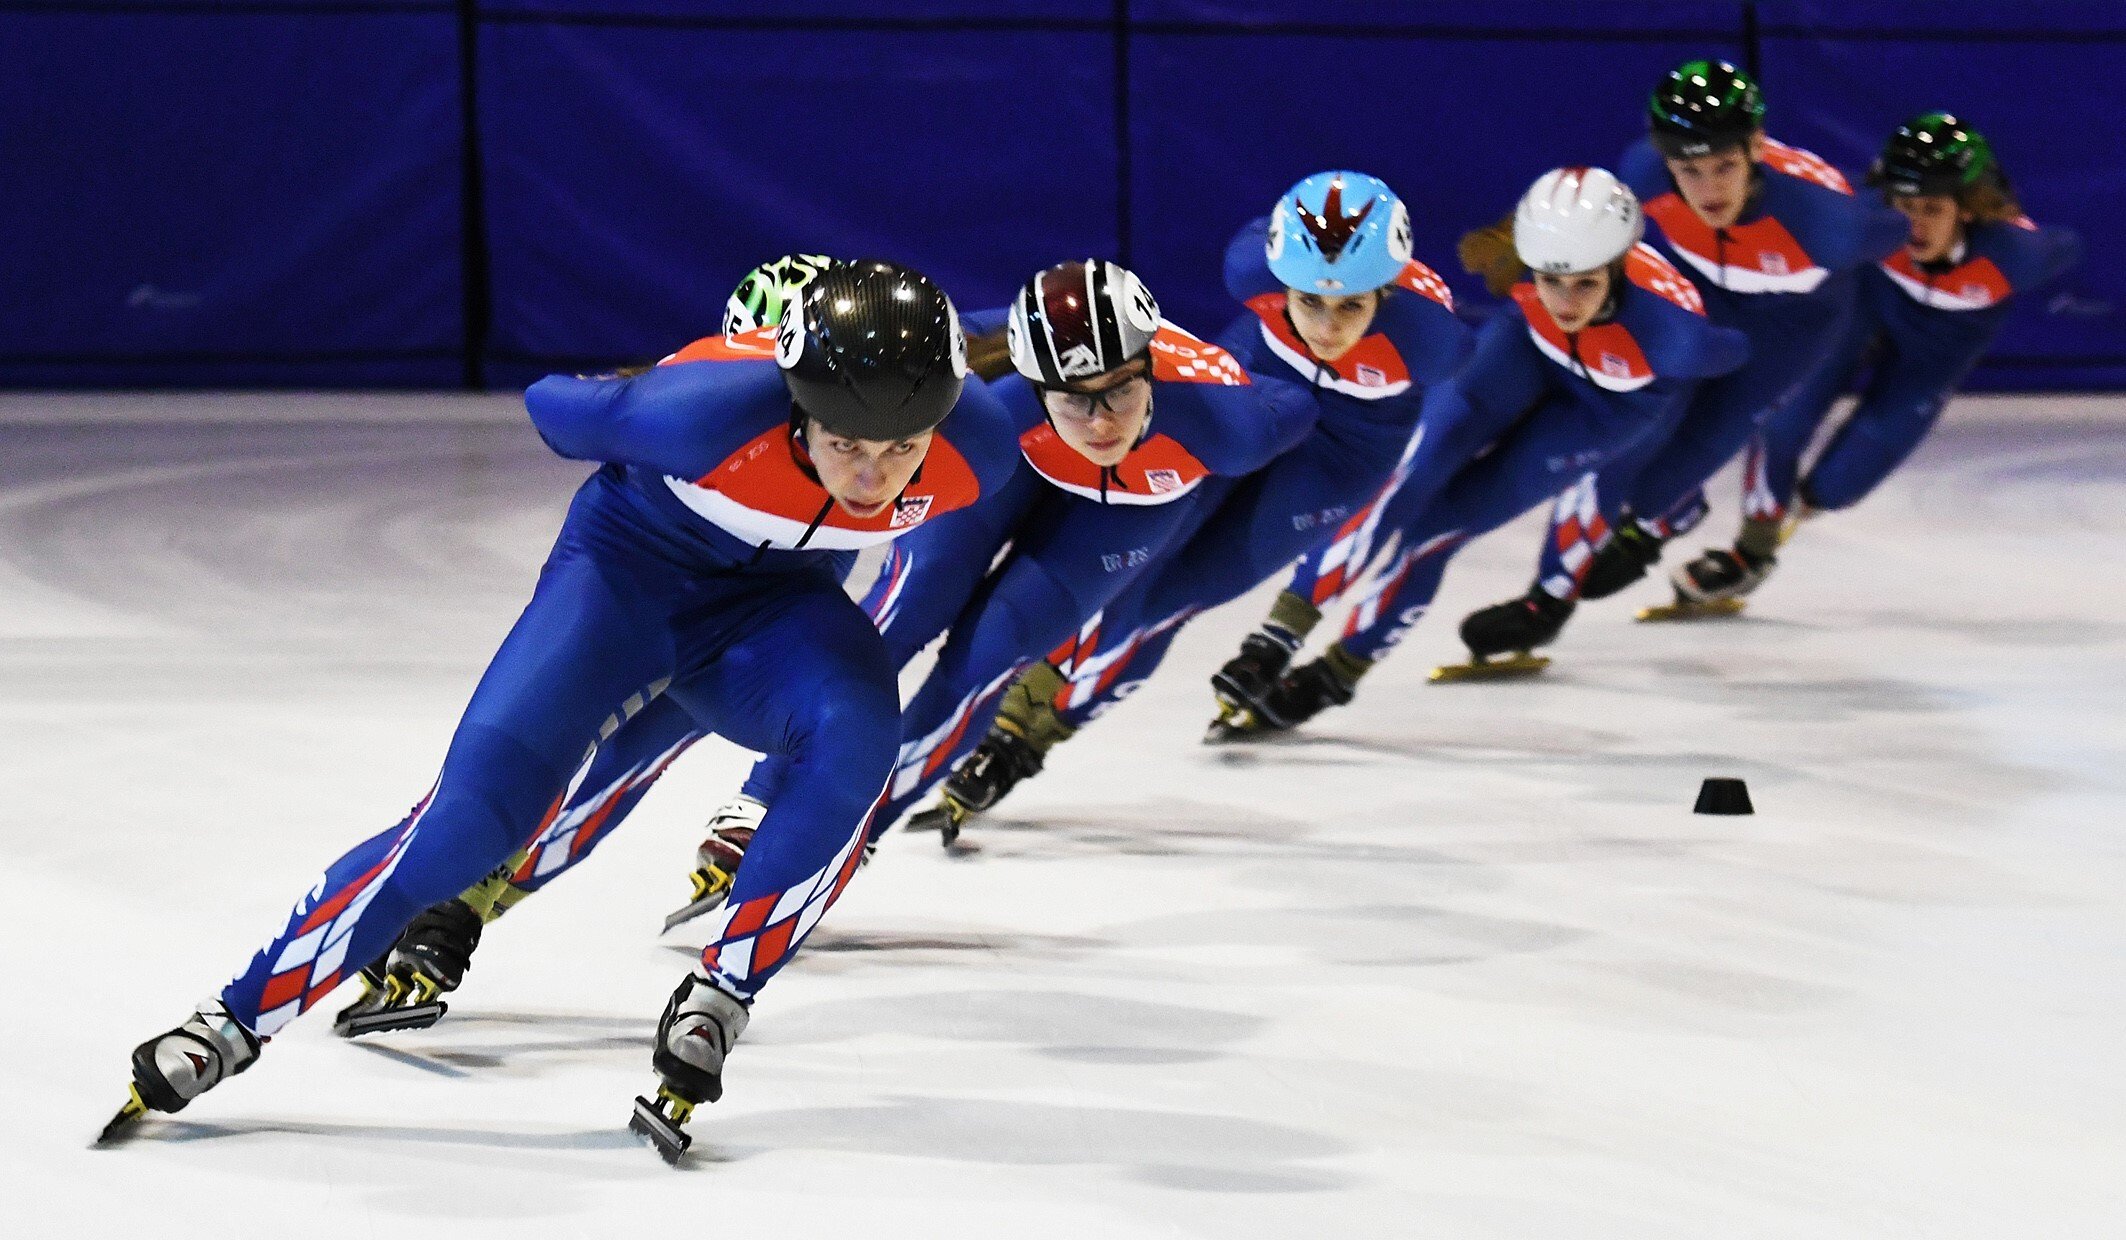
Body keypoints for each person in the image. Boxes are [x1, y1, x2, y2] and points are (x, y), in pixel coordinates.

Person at [104, 261, 1021, 1165]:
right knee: (468, 826)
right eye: (846, 445)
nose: (872, 475)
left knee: (860, 739)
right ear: (794, 404)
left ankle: (723, 993)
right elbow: (550, 403)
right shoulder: (694, 415)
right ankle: (234, 1017)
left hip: (775, 614)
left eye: (900, 450)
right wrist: (631, 387)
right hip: (627, 586)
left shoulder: (973, 443)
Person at [345, 259, 1321, 978]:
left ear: (1155, 374)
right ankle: (487, 891)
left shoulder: (1225, 423)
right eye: (1071, 396)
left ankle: (841, 832)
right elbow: (931, 335)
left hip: (1131, 510)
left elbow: (1302, 402)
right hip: (1001, 473)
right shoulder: (993, 399)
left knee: (977, 663)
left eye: (1119, 396)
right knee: (884, 622)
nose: (1097, 421)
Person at [916, 171, 1472, 830]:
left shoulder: (1436, 337)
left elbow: (1389, 497)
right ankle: (1017, 708)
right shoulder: (1249, 266)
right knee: (1129, 569)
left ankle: (1023, 743)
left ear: (1385, 290)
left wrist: (1291, 622)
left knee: (1169, 601)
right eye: (1309, 302)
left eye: (1351, 306)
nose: (1326, 326)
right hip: (1248, 399)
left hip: (1344, 451)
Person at [1208, 167, 1748, 734]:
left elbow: (1730, 392)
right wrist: (1278, 636)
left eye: (1585, 284)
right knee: (1408, 476)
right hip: (1523, 352)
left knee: (1435, 533)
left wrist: (1663, 495)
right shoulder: (1512, 262)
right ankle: (1281, 634)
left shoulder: (1679, 338)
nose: (1565, 300)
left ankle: (1340, 671)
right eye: (1549, 280)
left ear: (1618, 269)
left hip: (1608, 407)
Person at [1453, 58, 1905, 645]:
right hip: (1697, 298)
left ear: (1757, 149)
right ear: (1665, 159)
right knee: (1618, 441)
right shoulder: (1644, 174)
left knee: (1700, 445)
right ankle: (1546, 603)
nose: (1710, 188)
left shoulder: (1827, 224)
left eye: (1725, 166)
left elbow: (1896, 233)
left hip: (1793, 327)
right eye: (1690, 169)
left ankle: (1657, 523)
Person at [1667, 110, 2082, 603]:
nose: (1913, 226)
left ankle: (1793, 513)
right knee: (1781, 414)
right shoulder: (1863, 221)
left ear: (1967, 208)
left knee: (1838, 484)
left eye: (1931, 209)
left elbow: (2069, 247)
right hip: (1867, 300)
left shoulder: (2016, 255)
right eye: (1902, 205)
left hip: (1941, 344)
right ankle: (1752, 552)